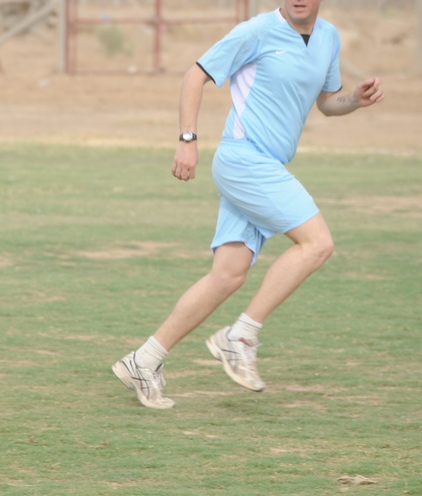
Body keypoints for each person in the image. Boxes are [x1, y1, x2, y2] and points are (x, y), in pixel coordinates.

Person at [112, 0, 384, 409]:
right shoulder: (256, 31)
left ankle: (143, 360)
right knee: (317, 244)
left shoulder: (328, 38)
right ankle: (239, 336)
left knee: (227, 276)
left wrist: (354, 101)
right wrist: (187, 139)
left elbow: (327, 103)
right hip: (244, 160)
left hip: (265, 164)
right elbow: (194, 75)